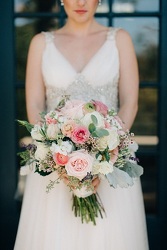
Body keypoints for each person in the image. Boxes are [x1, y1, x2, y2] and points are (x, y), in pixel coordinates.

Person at [14, 0, 149, 249]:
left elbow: (130, 103)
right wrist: (56, 155)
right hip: (54, 165)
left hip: (111, 163)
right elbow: (34, 106)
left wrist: (105, 155)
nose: (81, 2)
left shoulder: (120, 40)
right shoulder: (41, 43)